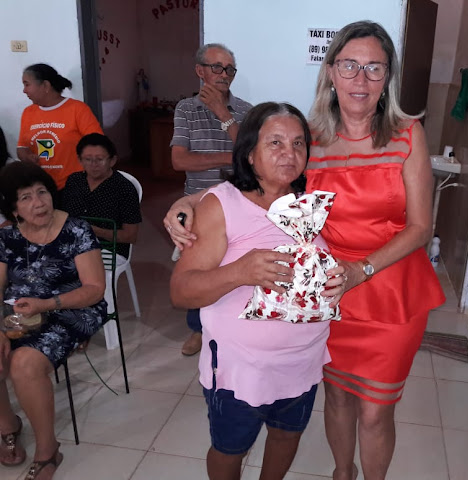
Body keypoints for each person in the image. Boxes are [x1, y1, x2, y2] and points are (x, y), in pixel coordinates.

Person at [164, 21, 446, 480]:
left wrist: (362, 269)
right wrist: (190, 202)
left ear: (388, 76)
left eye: (374, 68)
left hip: (389, 285)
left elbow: (421, 227)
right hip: (328, 290)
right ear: (331, 72)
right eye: (349, 65)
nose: (361, 79)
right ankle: (342, 472)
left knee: (376, 410)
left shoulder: (407, 135)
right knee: (337, 397)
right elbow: (259, 180)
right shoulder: (311, 138)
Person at [169, 102, 346, 480]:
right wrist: (240, 272)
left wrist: (335, 278)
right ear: (249, 153)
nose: (289, 153)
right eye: (275, 143)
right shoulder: (223, 206)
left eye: (298, 144)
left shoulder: (312, 199)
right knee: (230, 448)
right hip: (240, 368)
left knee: (286, 436)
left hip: (302, 361)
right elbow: (181, 291)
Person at [0, 162, 107, 479]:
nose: (38, 202)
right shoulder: (6, 236)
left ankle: (48, 451)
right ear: (13, 209)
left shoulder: (76, 230)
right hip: (18, 313)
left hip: (70, 309)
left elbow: (94, 289)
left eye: (42, 192)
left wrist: (45, 304)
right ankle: (8, 425)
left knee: (24, 364)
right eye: (26, 197)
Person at [171, 43, 253, 357]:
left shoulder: (245, 110)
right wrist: (231, 158)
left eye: (230, 69)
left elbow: (251, 158)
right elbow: (180, 160)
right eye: (217, 67)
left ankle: (230, 324)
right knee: (197, 268)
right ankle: (198, 329)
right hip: (197, 204)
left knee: (232, 265)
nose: (224, 74)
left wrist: (223, 113)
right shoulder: (185, 109)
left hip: (239, 201)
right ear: (200, 70)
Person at [17, 63, 103, 191]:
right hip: (41, 186)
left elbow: (98, 144)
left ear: (45, 85)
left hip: (75, 186)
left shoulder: (78, 109)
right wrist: (27, 156)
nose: (24, 90)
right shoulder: (28, 112)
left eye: (27, 84)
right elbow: (22, 148)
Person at [61, 133, 142, 260]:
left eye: (99, 159)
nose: (94, 164)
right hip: (71, 245)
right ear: (80, 160)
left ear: (112, 161)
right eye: (88, 159)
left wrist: (94, 230)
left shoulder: (124, 188)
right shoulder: (74, 181)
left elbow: (130, 236)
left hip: (108, 250)